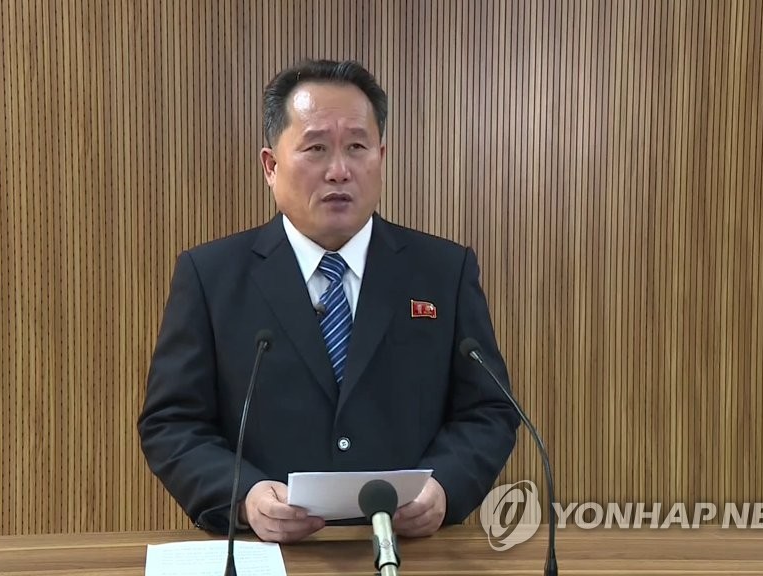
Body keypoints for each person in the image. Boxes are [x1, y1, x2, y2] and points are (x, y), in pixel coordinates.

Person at [138, 59, 519, 544]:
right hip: (271, 554)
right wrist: (246, 496)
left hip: (413, 551)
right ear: (271, 166)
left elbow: (489, 411)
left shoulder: (443, 271)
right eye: (316, 148)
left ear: (381, 156)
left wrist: (444, 487)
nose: (339, 171)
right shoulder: (211, 276)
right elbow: (172, 423)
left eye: (357, 147)